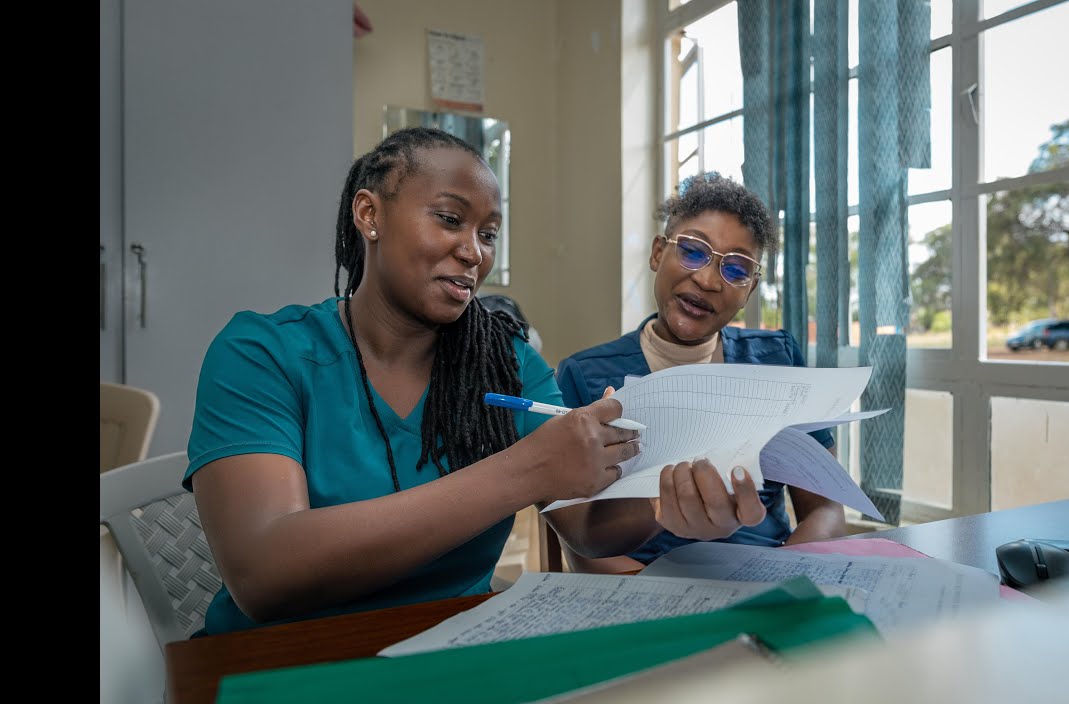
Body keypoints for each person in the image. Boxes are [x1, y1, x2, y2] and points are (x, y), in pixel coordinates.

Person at [184, 127, 645, 635]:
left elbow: (587, 531)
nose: (474, 253)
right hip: (282, 666)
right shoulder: (262, 353)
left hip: (448, 654)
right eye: (450, 220)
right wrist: (528, 469)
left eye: (488, 234)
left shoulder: (507, 364)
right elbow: (265, 575)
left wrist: (668, 500)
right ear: (369, 214)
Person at [552, 172, 848, 574]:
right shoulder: (585, 375)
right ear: (658, 253)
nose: (708, 280)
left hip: (764, 586)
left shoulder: (778, 360)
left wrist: (783, 582)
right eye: (692, 251)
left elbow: (826, 508)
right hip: (644, 596)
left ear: (751, 289)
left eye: (737, 270)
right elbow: (581, 545)